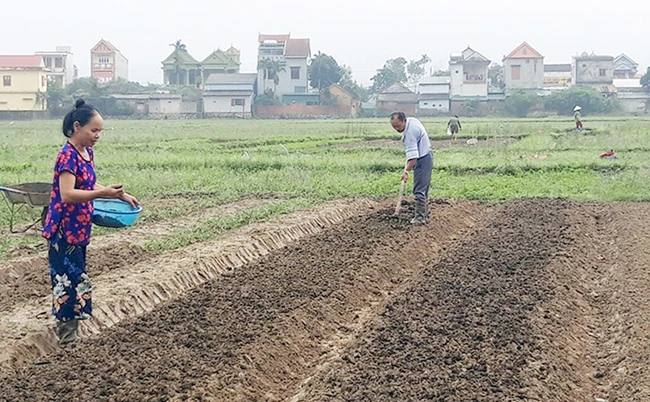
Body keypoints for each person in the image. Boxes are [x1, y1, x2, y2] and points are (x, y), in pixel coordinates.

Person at [42, 99, 139, 346]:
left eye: (100, 131)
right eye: (93, 130)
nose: (97, 136)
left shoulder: (87, 153)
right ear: (77, 126)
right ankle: (67, 337)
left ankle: (74, 330)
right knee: (66, 279)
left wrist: (119, 195)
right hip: (64, 229)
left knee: (78, 276)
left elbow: (88, 184)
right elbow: (68, 194)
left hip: (80, 229)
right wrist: (101, 194)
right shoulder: (67, 156)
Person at [390, 112, 433, 225]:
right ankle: (423, 214)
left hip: (422, 160)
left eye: (398, 126)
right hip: (426, 155)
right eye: (394, 127)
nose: (396, 129)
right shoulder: (412, 121)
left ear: (404, 120)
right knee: (423, 189)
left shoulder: (410, 133)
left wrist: (406, 171)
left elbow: (413, 158)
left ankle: (420, 218)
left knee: (419, 190)